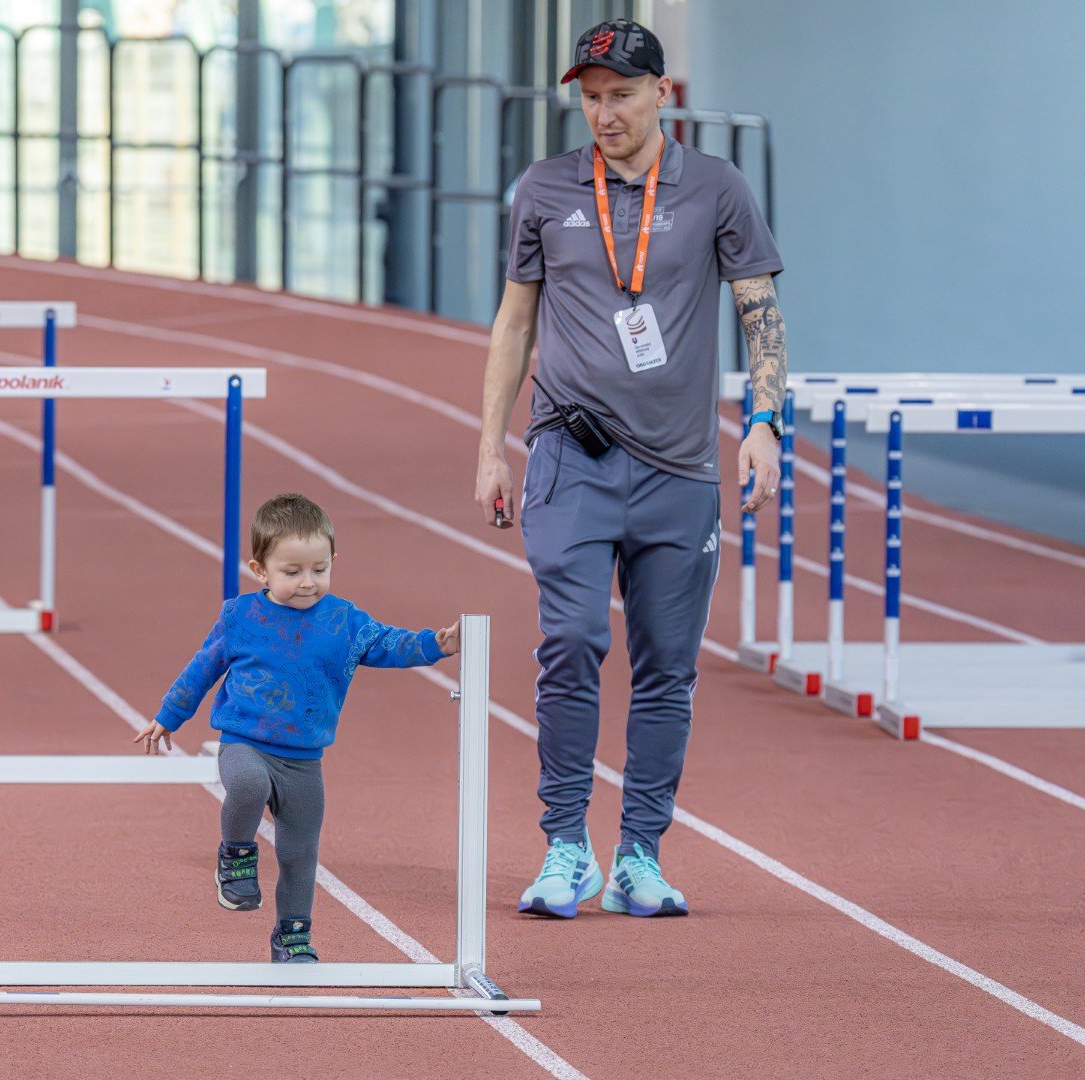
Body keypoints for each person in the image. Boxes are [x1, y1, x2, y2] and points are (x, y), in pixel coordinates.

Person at [474, 19, 788, 919]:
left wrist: (763, 423)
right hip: (569, 454)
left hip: (680, 469)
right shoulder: (543, 189)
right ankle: (565, 846)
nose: (603, 112)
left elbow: (761, 309)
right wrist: (490, 444)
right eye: (591, 96)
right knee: (570, 641)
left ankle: (640, 852)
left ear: (662, 93)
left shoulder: (717, 189)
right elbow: (513, 323)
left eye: (620, 94)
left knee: (667, 669)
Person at [134, 493, 459, 962]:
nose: (308, 583)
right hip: (245, 740)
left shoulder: (345, 620)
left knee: (299, 853)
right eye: (292, 572)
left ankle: (291, 936)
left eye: (319, 570)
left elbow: (390, 644)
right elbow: (202, 668)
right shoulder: (240, 616)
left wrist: (436, 645)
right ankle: (237, 855)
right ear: (260, 569)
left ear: (332, 563)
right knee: (246, 785)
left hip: (305, 760)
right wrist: (169, 716)